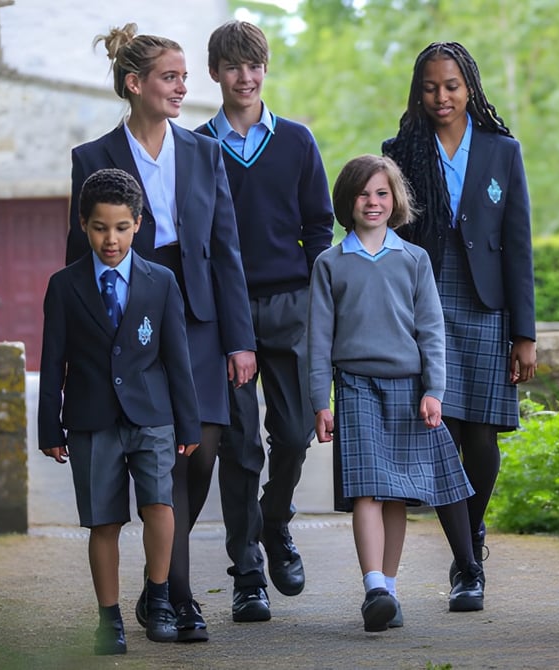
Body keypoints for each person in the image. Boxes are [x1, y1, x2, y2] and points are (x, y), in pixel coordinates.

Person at [66, 24, 257, 642]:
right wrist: (81, 348)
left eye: (182, 78)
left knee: (201, 452)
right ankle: (175, 597)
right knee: (164, 459)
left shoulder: (203, 151)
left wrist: (240, 339)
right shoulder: (92, 158)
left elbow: (226, 249)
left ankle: (160, 587)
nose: (181, 88)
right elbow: (78, 257)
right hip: (132, 318)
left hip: (199, 315)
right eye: (170, 78)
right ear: (135, 83)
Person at [382, 42, 536, 608]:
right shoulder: (398, 152)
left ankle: (470, 532)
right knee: (440, 430)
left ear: (469, 87)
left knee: (482, 434)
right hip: (423, 303)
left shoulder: (502, 150)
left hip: (486, 305)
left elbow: (518, 244)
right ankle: (468, 566)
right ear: (417, 92)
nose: (441, 97)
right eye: (430, 87)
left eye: (451, 86)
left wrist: (524, 334)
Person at [192, 20, 334, 622]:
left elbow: (319, 226)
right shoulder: (197, 147)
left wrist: (317, 299)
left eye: (253, 66)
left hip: (290, 307)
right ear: (215, 73)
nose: (244, 77)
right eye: (232, 66)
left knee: (295, 435)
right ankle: (247, 570)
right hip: (227, 313)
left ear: (265, 69)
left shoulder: (297, 141)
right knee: (241, 446)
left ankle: (275, 523)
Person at [308, 154, 475, 632]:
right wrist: (321, 401)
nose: (373, 202)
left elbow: (432, 331)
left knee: (397, 493)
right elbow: (318, 339)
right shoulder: (330, 264)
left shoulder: (414, 260)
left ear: (395, 199)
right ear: (348, 201)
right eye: (363, 194)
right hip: (355, 387)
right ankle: (373, 587)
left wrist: (434, 390)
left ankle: (390, 590)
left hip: (408, 389)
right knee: (367, 490)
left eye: (382, 193)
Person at [38, 167, 200, 654]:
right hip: (91, 421)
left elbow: (177, 357)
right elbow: (52, 361)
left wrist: (188, 421)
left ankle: (159, 600)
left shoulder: (161, 282)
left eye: (122, 227)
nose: (111, 239)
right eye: (100, 228)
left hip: (152, 415)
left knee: (159, 505)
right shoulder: (63, 286)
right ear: (83, 225)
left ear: (139, 224)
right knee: (103, 521)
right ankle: (109, 621)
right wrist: (50, 427)